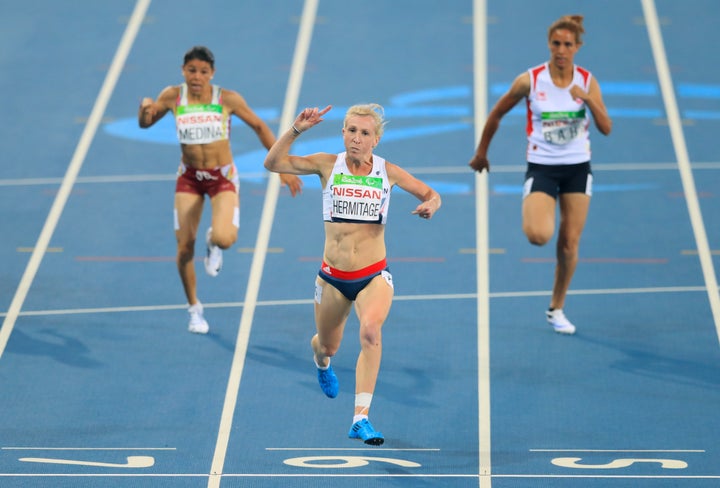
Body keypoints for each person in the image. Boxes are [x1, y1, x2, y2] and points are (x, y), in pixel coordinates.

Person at [264, 103, 441, 445]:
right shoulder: (327, 165)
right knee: (327, 345)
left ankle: (361, 418)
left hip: (373, 275)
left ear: (376, 139)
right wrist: (296, 130)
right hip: (332, 277)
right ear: (342, 133)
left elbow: (430, 193)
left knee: (371, 332)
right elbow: (272, 164)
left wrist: (431, 205)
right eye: (351, 131)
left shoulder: (387, 172)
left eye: (364, 133)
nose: (357, 139)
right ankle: (320, 361)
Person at [138, 46, 302, 334]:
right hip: (189, 178)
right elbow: (146, 123)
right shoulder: (173, 96)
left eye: (203, 71)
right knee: (184, 247)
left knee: (226, 238)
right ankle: (194, 309)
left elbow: (259, 126)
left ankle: (213, 242)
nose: (197, 77)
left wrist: (282, 167)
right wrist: (143, 111)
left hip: (222, 177)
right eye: (191, 71)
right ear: (183, 71)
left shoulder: (226, 99)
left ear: (212, 74)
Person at [469, 15, 612, 335]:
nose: (561, 50)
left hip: (577, 168)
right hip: (542, 167)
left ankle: (556, 308)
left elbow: (606, 128)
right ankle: (555, 298)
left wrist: (588, 99)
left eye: (568, 45)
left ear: (577, 47)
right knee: (538, 235)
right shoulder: (530, 80)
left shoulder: (588, 82)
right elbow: (497, 112)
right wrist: (482, 152)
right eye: (556, 44)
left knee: (569, 243)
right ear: (550, 45)